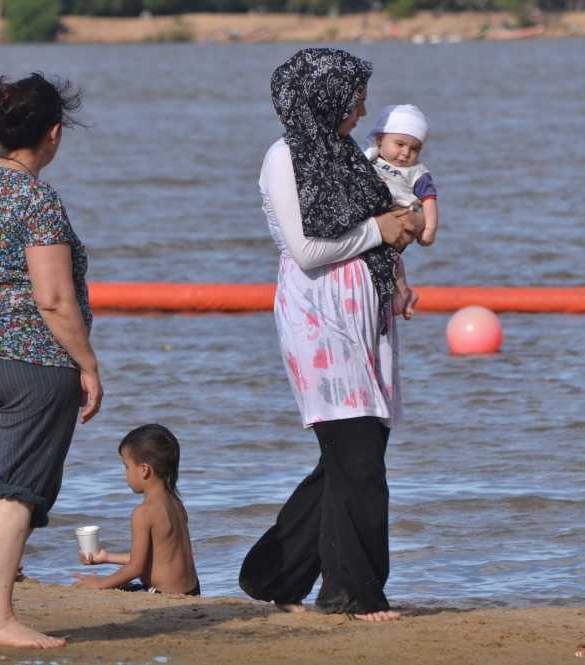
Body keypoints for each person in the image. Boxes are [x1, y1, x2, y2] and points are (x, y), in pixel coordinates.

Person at [238, 48, 424, 622]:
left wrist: (396, 271)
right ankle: (353, 593)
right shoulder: (284, 157)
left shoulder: (344, 152)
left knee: (347, 459)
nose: (365, 108)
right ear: (325, 98)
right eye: (356, 97)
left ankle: (275, 574)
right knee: (358, 458)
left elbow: (385, 227)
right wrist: (380, 230)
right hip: (318, 321)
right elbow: (307, 249)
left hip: (365, 319)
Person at [0, 72, 103, 649]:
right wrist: (88, 364)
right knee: (18, 491)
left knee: (18, 478)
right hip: (33, 361)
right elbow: (54, 299)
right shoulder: (36, 198)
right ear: (53, 134)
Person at [72, 424, 199, 596]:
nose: (125, 473)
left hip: (163, 595)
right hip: (192, 592)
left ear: (144, 469)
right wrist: (106, 557)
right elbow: (155, 557)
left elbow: (136, 568)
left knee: (92, 591)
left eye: (126, 466)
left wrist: (100, 584)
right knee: (115, 587)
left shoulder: (144, 512)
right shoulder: (176, 503)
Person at [362, 104, 438, 320]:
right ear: (380, 140)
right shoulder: (369, 160)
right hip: (375, 220)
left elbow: (429, 201)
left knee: (391, 258)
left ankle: (403, 290)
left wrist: (429, 229)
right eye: (399, 144)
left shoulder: (417, 172)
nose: (406, 153)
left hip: (400, 218)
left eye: (415, 148)